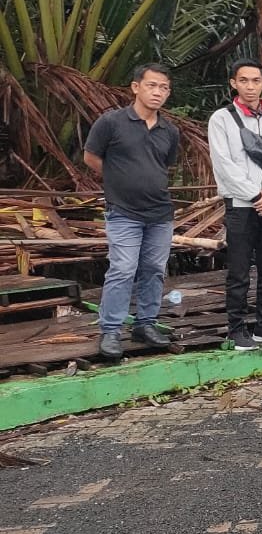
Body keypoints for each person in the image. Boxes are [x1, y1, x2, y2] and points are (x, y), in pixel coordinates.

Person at [84, 64, 181, 359]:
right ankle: (111, 330)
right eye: (152, 85)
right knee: (123, 269)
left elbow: (164, 165)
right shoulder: (111, 122)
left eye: (164, 88)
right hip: (124, 211)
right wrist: (119, 179)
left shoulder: (169, 131)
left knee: (154, 269)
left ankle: (145, 324)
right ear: (136, 87)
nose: (157, 92)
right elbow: (91, 157)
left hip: (160, 214)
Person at [207, 59, 262, 352]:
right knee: (239, 271)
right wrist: (257, 197)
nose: (250, 86)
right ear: (233, 83)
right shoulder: (222, 119)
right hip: (242, 206)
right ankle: (237, 329)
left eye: (255, 81)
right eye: (243, 80)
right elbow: (224, 166)